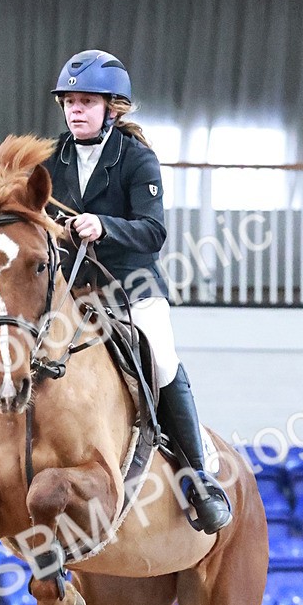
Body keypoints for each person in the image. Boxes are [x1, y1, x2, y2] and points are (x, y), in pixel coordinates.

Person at [44, 48, 232, 534]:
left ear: (112, 107)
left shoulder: (136, 158)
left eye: (86, 101)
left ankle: (198, 478)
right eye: (69, 102)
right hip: (72, 295)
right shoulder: (50, 159)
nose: (75, 110)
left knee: (163, 361)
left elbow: (153, 232)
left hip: (133, 292)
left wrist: (102, 226)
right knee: (17, 349)